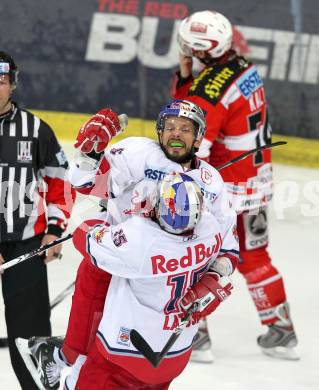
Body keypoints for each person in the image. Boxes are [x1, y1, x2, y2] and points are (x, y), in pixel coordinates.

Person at [16, 100, 239, 389]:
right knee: (98, 346)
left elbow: (228, 244)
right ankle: (64, 360)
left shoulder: (212, 182)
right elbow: (86, 183)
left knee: (119, 350)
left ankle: (56, 359)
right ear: (159, 131)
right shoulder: (138, 153)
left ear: (198, 137)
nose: (176, 133)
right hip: (112, 257)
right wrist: (90, 153)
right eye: (169, 127)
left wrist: (215, 275)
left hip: (160, 275)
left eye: (185, 128)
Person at [172, 10, 298, 361]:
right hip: (256, 184)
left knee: (191, 255)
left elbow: (193, 147)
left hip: (224, 191)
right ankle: (281, 330)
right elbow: (198, 105)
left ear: (199, 50)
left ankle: (192, 335)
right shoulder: (245, 68)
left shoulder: (206, 94)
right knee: (255, 255)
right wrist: (186, 80)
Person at [0, 51, 75, 389]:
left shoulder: (34, 129)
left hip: (26, 247)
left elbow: (61, 180)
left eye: (1, 80)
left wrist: (55, 231)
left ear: (12, 84)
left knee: (33, 347)